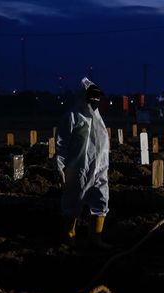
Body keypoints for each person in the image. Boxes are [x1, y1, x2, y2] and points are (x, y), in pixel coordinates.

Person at [56, 77, 111, 249]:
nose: (95, 101)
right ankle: (70, 238)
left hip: (100, 169)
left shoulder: (98, 118)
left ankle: (95, 239)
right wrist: (60, 165)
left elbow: (102, 145)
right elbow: (62, 143)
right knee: (73, 202)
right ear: (83, 96)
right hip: (78, 168)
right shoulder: (72, 117)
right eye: (92, 97)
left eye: (97, 97)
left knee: (101, 200)